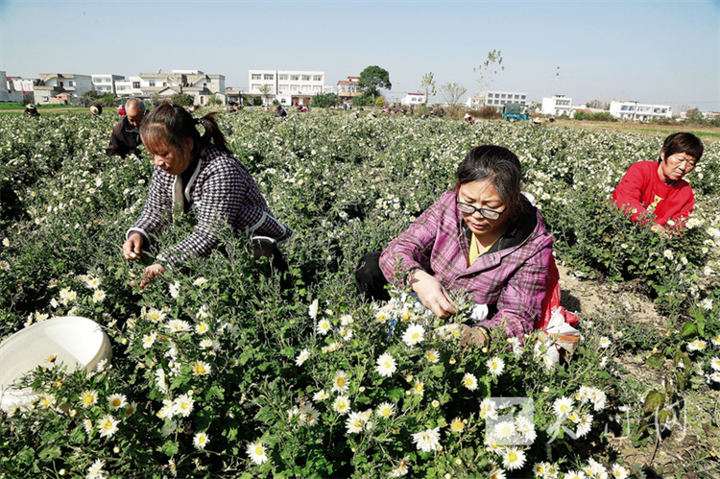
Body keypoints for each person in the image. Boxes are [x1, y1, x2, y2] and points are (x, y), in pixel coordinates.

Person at [355, 145, 553, 344]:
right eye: (467, 201)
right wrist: (416, 278)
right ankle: (374, 327)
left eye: (491, 208)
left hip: (471, 318)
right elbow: (398, 249)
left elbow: (518, 316)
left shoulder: (533, 244)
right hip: (426, 294)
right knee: (370, 266)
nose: (476, 216)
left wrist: (478, 336)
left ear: (513, 200)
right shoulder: (448, 207)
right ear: (459, 188)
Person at [123, 103, 293, 286]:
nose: (157, 162)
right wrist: (138, 234)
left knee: (258, 268)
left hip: (252, 241)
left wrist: (164, 263)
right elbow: (156, 210)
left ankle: (282, 289)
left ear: (187, 143)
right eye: (152, 155)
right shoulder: (167, 168)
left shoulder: (221, 169)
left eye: (163, 153)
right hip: (211, 243)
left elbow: (211, 232)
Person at [612, 132, 703, 232]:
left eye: (690, 163)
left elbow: (680, 225)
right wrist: (652, 226)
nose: (682, 167)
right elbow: (627, 201)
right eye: (680, 159)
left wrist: (669, 236)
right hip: (620, 230)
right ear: (663, 154)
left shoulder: (685, 192)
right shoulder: (641, 171)